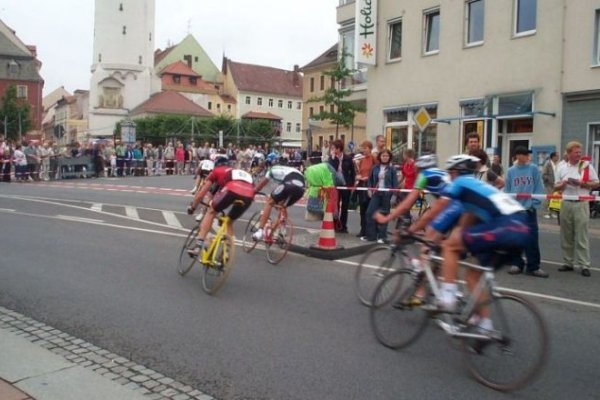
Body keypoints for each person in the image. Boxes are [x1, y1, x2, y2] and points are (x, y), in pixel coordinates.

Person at [406, 155, 531, 332]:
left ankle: (448, 297)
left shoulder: (462, 182)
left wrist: (411, 230)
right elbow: (464, 226)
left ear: (456, 172)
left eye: (449, 174)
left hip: (506, 226)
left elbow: (436, 210)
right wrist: (450, 248)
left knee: (450, 246)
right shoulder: (476, 191)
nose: (448, 178)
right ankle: (485, 326)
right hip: (523, 229)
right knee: (472, 275)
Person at [186, 154, 255, 255]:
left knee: (211, 211)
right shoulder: (238, 171)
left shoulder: (217, 170)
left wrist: (192, 207)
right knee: (229, 222)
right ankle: (227, 252)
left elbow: (202, 193)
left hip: (232, 189)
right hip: (249, 195)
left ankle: (198, 245)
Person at [554, 141, 599, 277]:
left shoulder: (586, 166)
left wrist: (582, 183)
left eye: (580, 152)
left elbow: (597, 182)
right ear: (568, 154)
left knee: (582, 234)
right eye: (576, 152)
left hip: (581, 202)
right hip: (566, 202)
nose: (579, 155)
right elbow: (555, 186)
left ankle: (584, 264)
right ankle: (568, 262)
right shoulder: (561, 167)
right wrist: (562, 184)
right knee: (566, 234)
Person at [504, 146, 548, 278]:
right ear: (518, 156)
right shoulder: (511, 171)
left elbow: (538, 188)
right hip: (516, 210)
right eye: (524, 154)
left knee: (532, 239)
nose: (527, 157)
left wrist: (534, 204)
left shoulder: (533, 169)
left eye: (527, 155)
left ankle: (533, 266)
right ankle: (517, 263)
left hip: (529, 210)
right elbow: (508, 189)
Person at [251, 164, 306, 241]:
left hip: (288, 184)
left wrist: (253, 193)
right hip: (301, 189)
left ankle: (260, 231)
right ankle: (277, 231)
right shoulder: (289, 170)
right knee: (282, 206)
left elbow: (260, 185)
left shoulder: (271, 171)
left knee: (270, 202)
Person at [362, 149, 398, 243]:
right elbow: (370, 180)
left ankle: (382, 236)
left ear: (389, 157)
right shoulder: (375, 167)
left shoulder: (392, 169)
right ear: (380, 157)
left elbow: (395, 184)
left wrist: (394, 196)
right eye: (383, 156)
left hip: (387, 194)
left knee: (384, 214)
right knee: (369, 213)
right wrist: (370, 189)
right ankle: (371, 236)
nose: (385, 157)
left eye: (386, 156)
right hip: (376, 193)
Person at [328, 139, 355, 233]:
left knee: (345, 206)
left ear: (339, 149)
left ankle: (343, 226)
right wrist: (333, 158)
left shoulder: (348, 158)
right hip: (335, 184)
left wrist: (351, 184)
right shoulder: (332, 158)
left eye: (333, 148)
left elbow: (353, 172)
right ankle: (335, 224)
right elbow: (331, 170)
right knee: (335, 206)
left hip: (345, 184)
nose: (332, 149)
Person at [354, 140, 377, 238]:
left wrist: (368, 178)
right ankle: (362, 230)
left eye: (366, 148)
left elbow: (376, 172)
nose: (364, 150)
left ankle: (370, 230)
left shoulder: (373, 158)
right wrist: (358, 176)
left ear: (370, 148)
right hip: (362, 185)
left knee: (369, 210)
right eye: (363, 148)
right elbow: (359, 172)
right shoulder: (362, 160)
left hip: (369, 186)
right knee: (362, 209)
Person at [542, 152, 559, 218]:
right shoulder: (548, 164)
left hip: (555, 184)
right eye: (557, 156)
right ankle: (546, 212)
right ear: (553, 157)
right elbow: (544, 174)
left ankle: (553, 212)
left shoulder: (557, 164)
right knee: (548, 199)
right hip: (549, 184)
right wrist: (548, 180)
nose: (558, 158)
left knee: (554, 199)